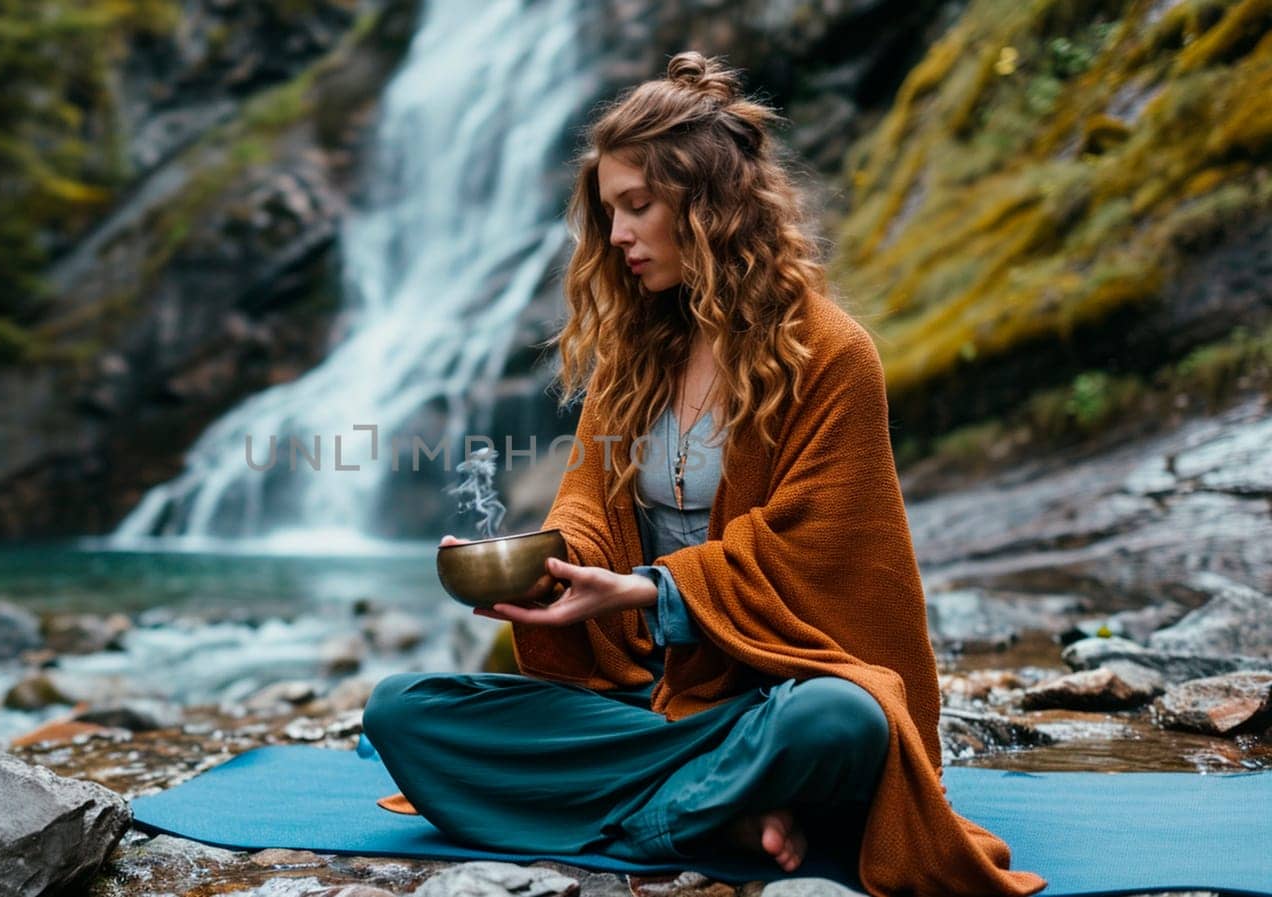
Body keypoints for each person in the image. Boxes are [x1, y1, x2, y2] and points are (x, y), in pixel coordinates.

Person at [363, 51, 1047, 897]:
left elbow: (817, 554)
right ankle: (727, 808)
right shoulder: (634, 353)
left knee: (848, 718)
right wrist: (545, 566)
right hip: (647, 696)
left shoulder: (831, 355)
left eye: (637, 207)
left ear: (709, 203)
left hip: (776, 688)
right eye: (608, 212)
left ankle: (673, 811)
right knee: (403, 708)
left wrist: (644, 591)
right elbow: (587, 510)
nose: (616, 237)